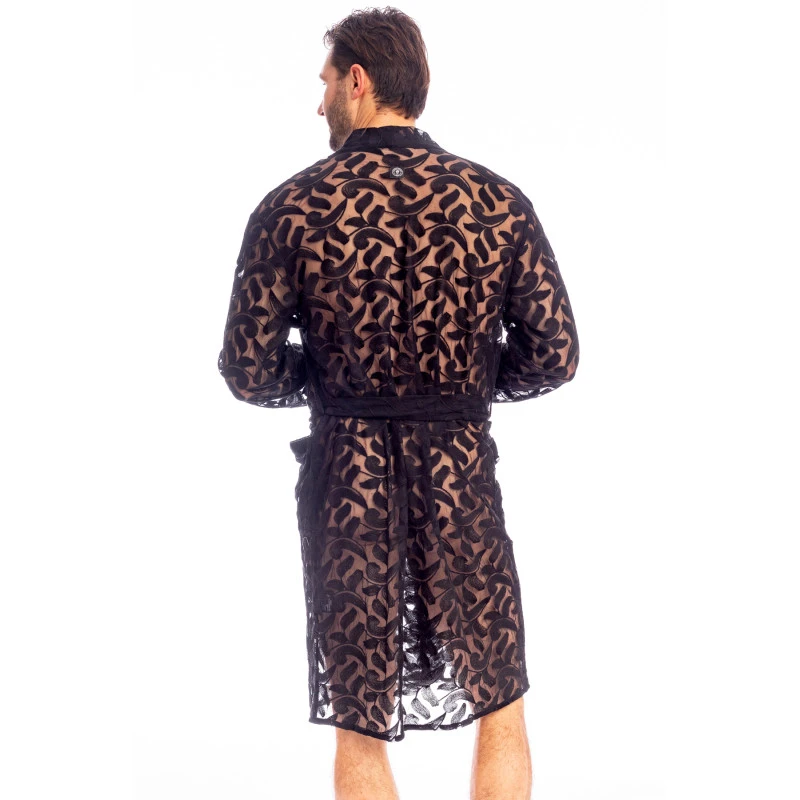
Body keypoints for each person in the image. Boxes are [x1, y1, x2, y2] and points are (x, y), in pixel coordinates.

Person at [217, 7, 580, 799]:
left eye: (323, 84)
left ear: (357, 80)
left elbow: (248, 371)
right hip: (461, 481)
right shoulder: (496, 202)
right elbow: (555, 354)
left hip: (349, 485)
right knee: (499, 702)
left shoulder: (292, 207)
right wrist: (465, 385)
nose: (318, 103)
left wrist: (330, 380)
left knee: (360, 716)